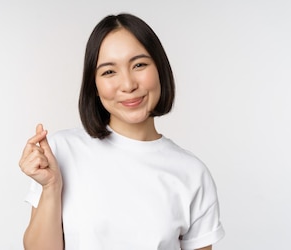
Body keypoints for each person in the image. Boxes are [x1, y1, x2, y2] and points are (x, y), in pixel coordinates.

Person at [19, 13, 224, 250]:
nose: (128, 85)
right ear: (93, 86)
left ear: (159, 69)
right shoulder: (61, 151)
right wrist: (51, 186)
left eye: (139, 65)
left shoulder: (192, 173)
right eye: (109, 72)